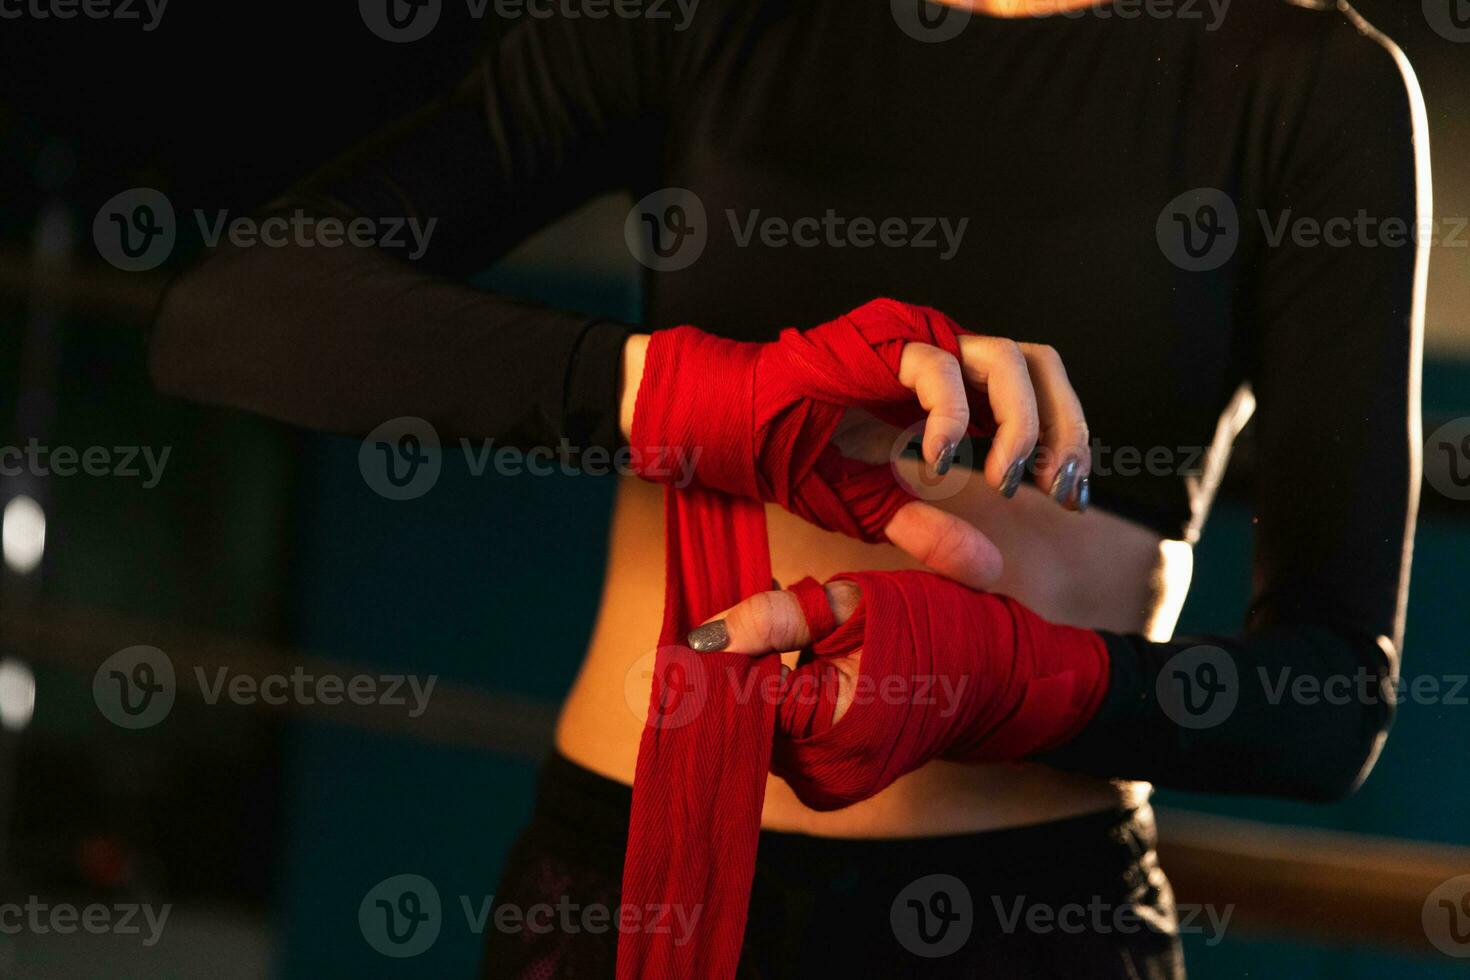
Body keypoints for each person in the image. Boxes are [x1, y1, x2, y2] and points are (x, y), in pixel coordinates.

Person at [146, 0, 1428, 975]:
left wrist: (1009, 676)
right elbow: (238, 316)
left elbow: (1330, 700)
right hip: (631, 886)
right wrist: (688, 397)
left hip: (1038, 918)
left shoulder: (1312, 84)